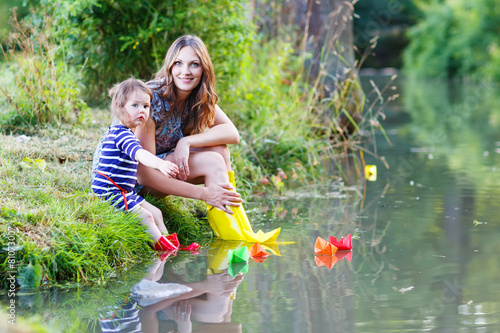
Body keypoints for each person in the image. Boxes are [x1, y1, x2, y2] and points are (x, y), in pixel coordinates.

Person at [134, 35, 280, 242]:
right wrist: (203, 194)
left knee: (220, 149)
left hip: (163, 167)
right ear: (169, 67)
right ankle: (233, 238)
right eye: (178, 63)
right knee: (212, 160)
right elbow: (143, 175)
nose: (185, 72)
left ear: (204, 69)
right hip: (132, 184)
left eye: (194, 64)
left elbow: (231, 133)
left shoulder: (197, 95)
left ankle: (240, 229)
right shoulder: (151, 100)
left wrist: (187, 141)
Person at [91, 78, 181, 251]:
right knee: (147, 217)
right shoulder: (121, 134)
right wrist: (160, 165)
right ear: (119, 106)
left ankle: (172, 245)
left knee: (157, 213)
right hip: (108, 192)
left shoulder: (128, 133)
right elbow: (140, 155)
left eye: (146, 106)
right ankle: (165, 250)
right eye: (135, 105)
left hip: (124, 191)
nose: (142, 110)